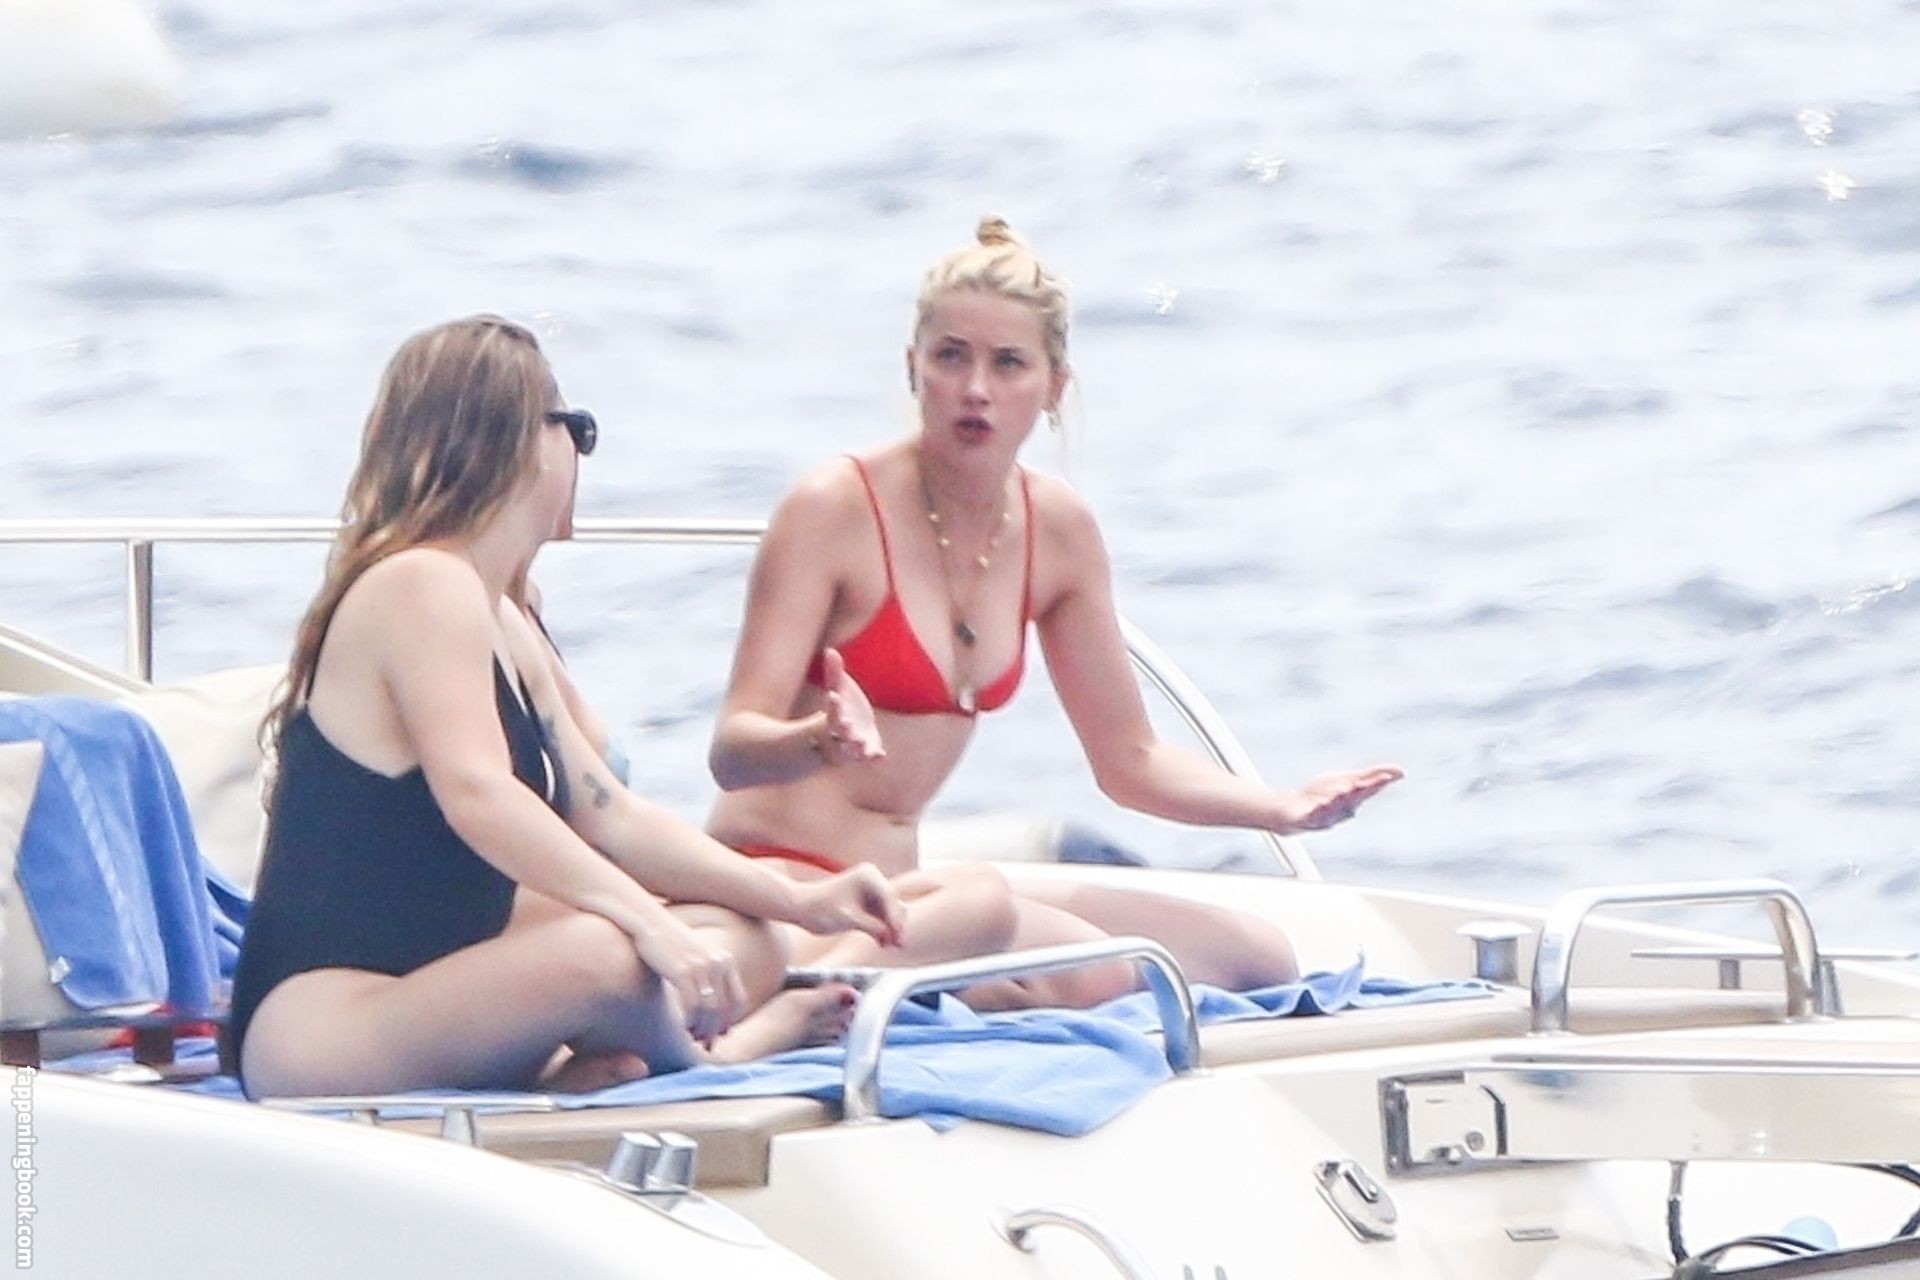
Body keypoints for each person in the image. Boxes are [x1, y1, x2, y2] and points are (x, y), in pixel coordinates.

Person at [706, 219, 1403, 1007]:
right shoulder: (833, 508)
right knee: (1097, 974)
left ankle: (924, 986)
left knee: (1256, 957)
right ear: (912, 368)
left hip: (904, 892)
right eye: (950, 357)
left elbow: (1130, 761)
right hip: (784, 884)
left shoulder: (1057, 530)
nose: (976, 388)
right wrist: (815, 740)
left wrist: (1278, 808)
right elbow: (734, 750)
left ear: (1054, 386)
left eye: (1008, 364)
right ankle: (836, 989)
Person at [231, 315, 906, 1100]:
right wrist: (647, 924)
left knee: (746, 933)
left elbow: (611, 815)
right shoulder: (422, 583)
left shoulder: (501, 614)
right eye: (576, 430)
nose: (580, 458)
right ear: (525, 440)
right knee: (614, 955)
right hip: (320, 1030)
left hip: (434, 979)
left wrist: (800, 901)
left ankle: (569, 1064)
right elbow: (479, 792)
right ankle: (724, 1056)